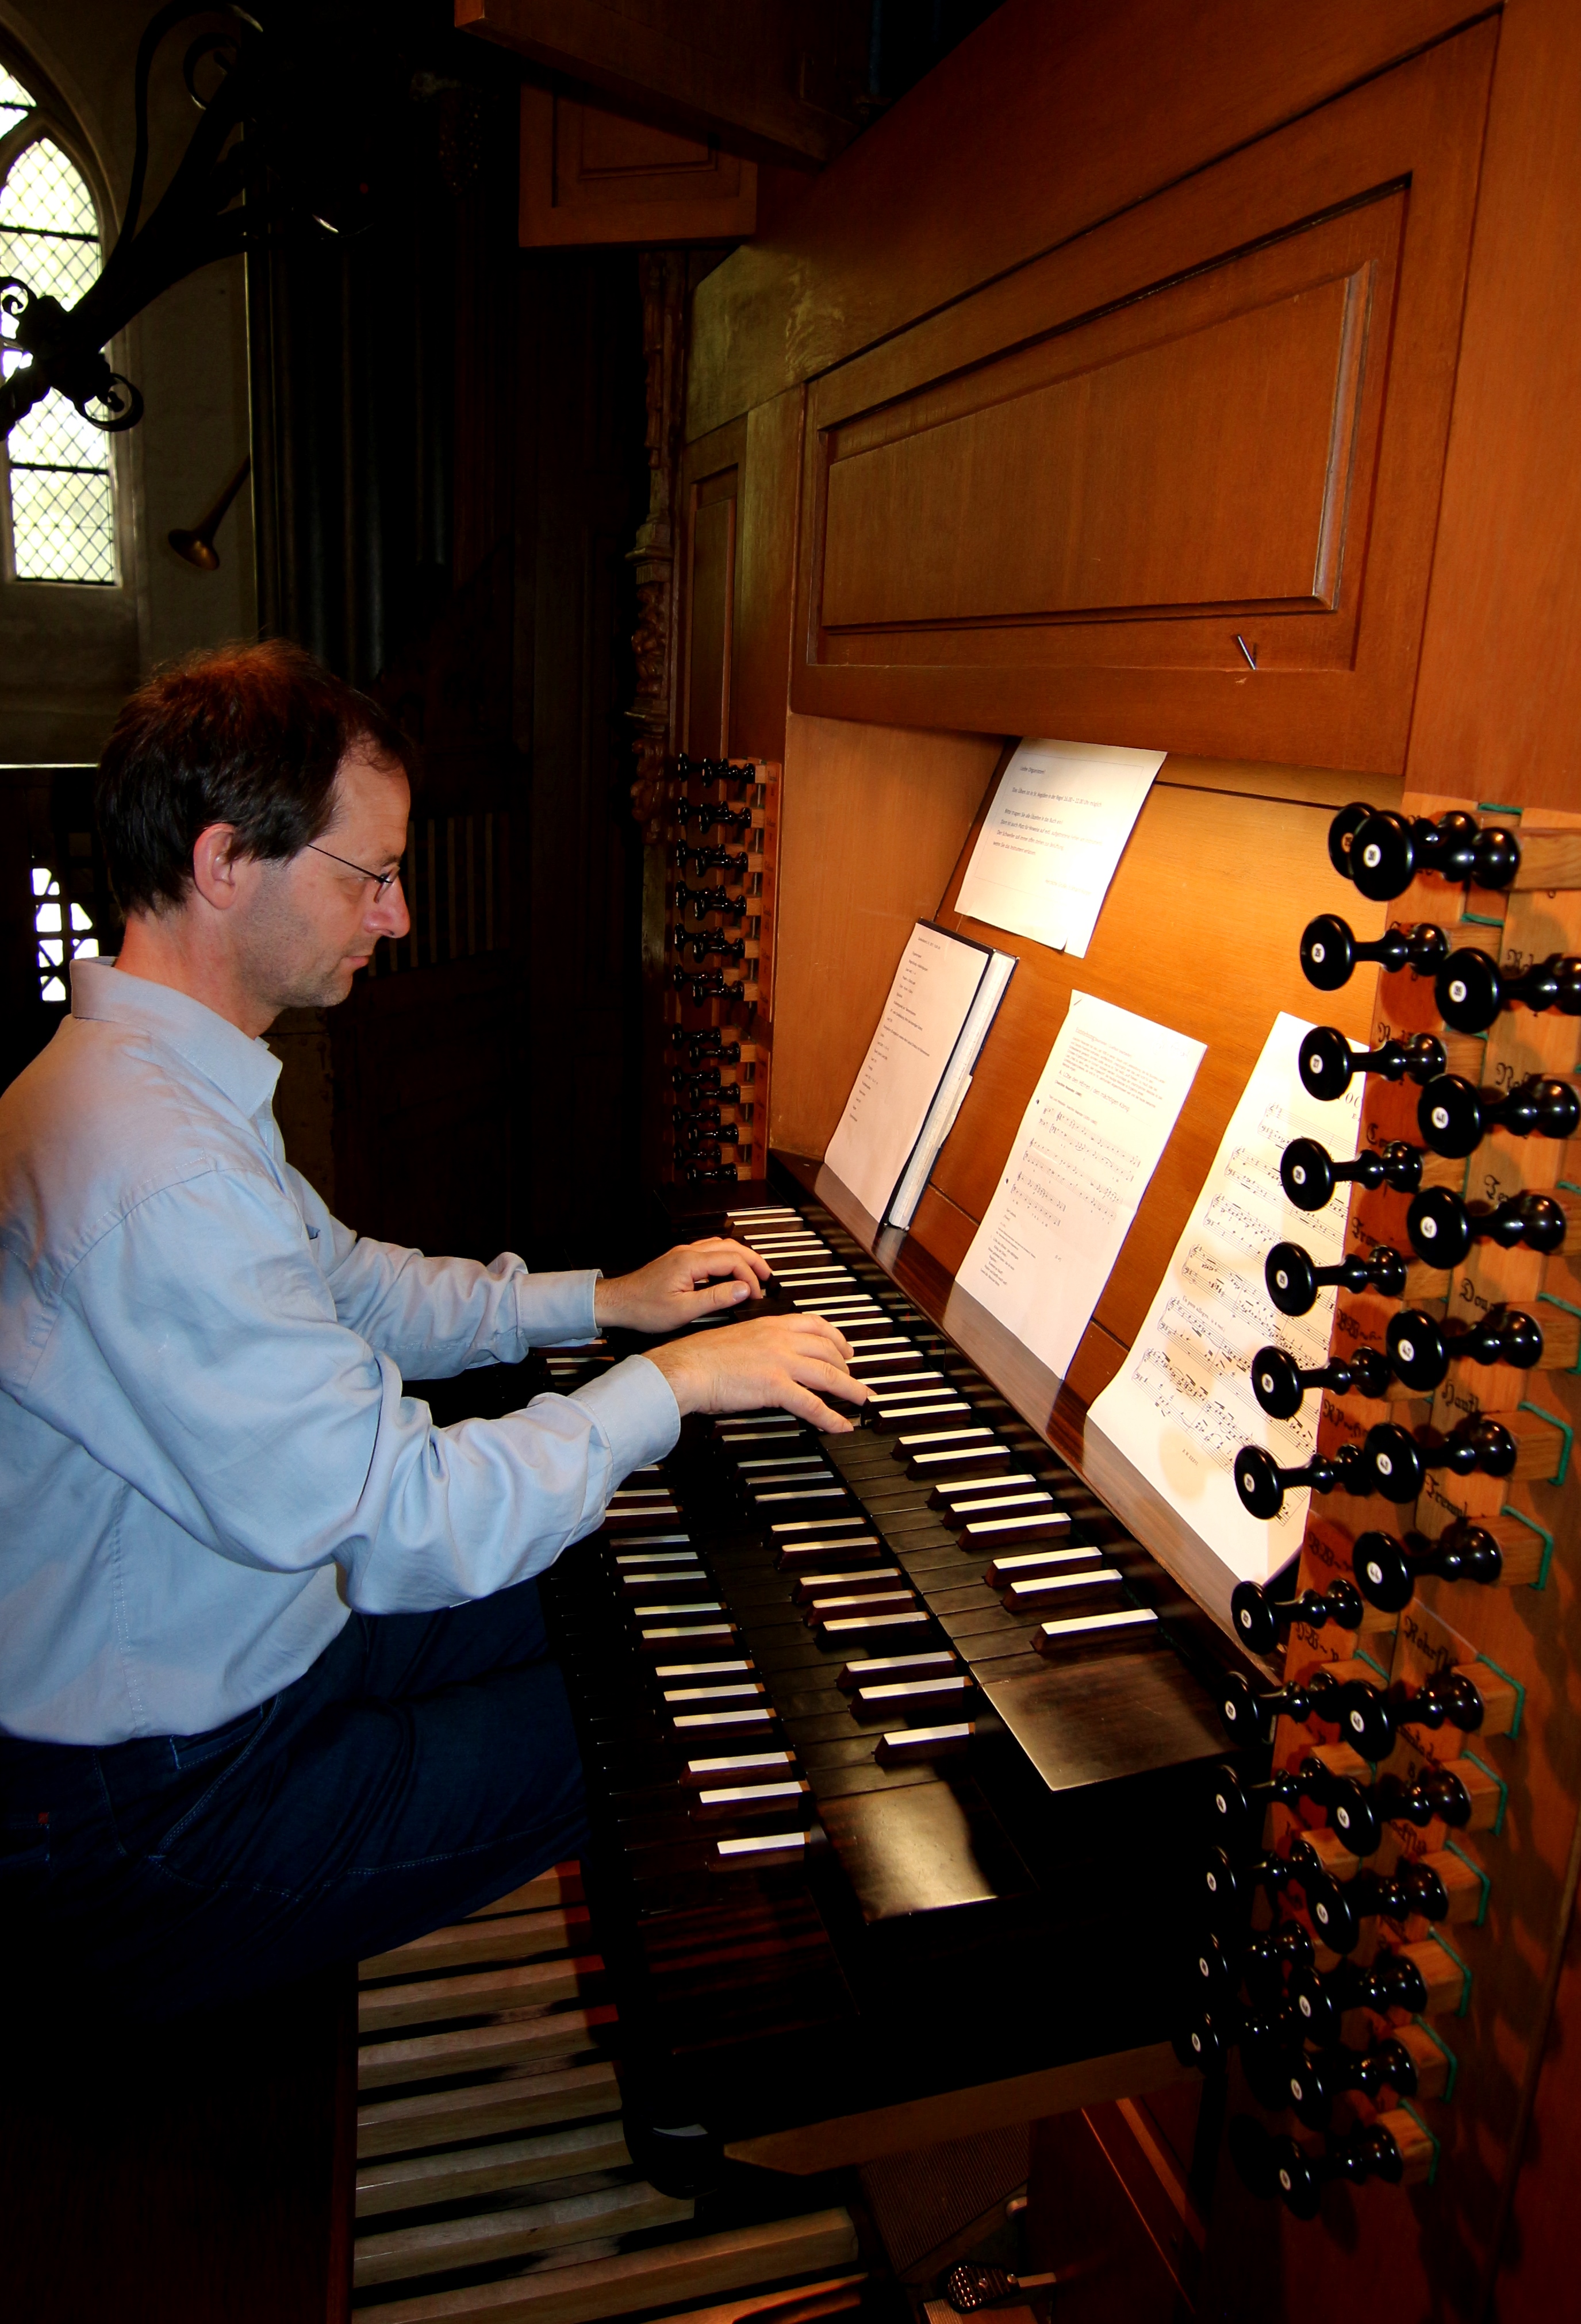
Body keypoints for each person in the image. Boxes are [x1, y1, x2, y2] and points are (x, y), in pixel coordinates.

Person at [0, 639, 863, 2021]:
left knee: (648, 1606)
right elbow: (403, 1518)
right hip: (137, 1815)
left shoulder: (154, 1084)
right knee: (695, 1721)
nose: (396, 917)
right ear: (227, 864)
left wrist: (598, 1302)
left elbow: (351, 1290)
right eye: (370, 875)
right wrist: (668, 1385)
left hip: (249, 1652)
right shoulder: (148, 1167)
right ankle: (789, 2094)